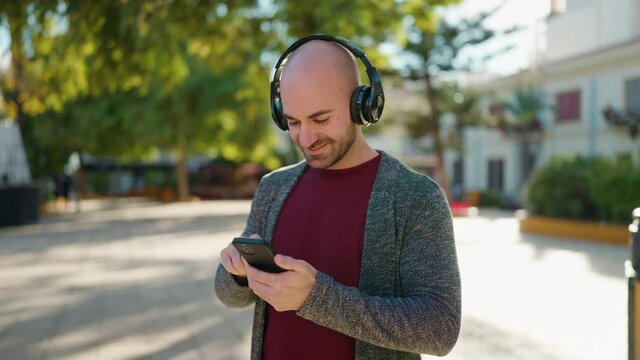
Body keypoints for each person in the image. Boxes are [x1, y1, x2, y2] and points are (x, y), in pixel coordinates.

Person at [215, 35, 461, 360]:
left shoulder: (415, 198)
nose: (305, 137)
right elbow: (231, 297)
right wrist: (236, 273)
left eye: (320, 119)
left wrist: (315, 298)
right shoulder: (273, 187)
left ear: (363, 105)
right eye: (292, 122)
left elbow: (440, 329)